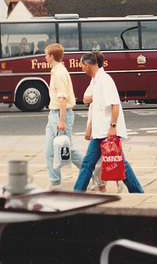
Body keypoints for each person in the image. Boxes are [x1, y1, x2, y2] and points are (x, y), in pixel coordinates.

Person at [74, 52, 144, 193]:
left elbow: (115, 104)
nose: (81, 68)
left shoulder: (105, 80)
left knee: (120, 163)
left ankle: (137, 192)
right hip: (99, 132)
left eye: (82, 65)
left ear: (87, 65)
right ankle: (77, 192)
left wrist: (113, 126)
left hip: (107, 131)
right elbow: (89, 102)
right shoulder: (95, 80)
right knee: (88, 164)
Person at [44, 43, 84, 190]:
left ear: (52, 56)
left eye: (47, 55)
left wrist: (61, 120)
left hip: (62, 114)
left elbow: (63, 98)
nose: (45, 57)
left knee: (68, 149)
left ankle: (91, 173)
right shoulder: (55, 71)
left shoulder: (60, 73)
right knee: (49, 150)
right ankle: (55, 182)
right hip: (53, 113)